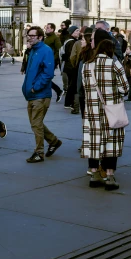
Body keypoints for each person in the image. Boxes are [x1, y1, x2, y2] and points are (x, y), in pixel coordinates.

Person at [83, 31, 129, 191]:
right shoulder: (115, 64)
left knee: (94, 142)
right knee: (112, 144)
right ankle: (110, 176)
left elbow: (85, 88)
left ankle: (94, 174)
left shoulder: (87, 66)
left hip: (93, 111)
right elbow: (125, 89)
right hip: (112, 110)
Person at [22, 26, 63, 163]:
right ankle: (54, 141)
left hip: (40, 95)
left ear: (40, 37)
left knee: (36, 124)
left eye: (33, 36)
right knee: (36, 123)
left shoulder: (45, 50)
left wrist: (35, 87)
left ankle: (39, 152)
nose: (29, 37)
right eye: (28, 35)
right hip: (32, 94)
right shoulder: (33, 50)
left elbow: (48, 73)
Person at [42, 23, 63, 102]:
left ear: (52, 29)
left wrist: (53, 59)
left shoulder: (55, 38)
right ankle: (56, 91)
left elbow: (59, 50)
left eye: (48, 28)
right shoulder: (46, 38)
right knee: (43, 77)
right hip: (45, 61)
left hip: (51, 62)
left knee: (45, 78)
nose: (46, 29)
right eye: (46, 27)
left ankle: (58, 90)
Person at [62, 26, 80, 108]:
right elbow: (71, 55)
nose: (78, 32)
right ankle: (70, 102)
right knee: (72, 85)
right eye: (76, 31)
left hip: (68, 66)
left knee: (71, 85)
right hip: (71, 67)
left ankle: (68, 102)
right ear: (72, 32)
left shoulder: (68, 41)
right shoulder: (72, 42)